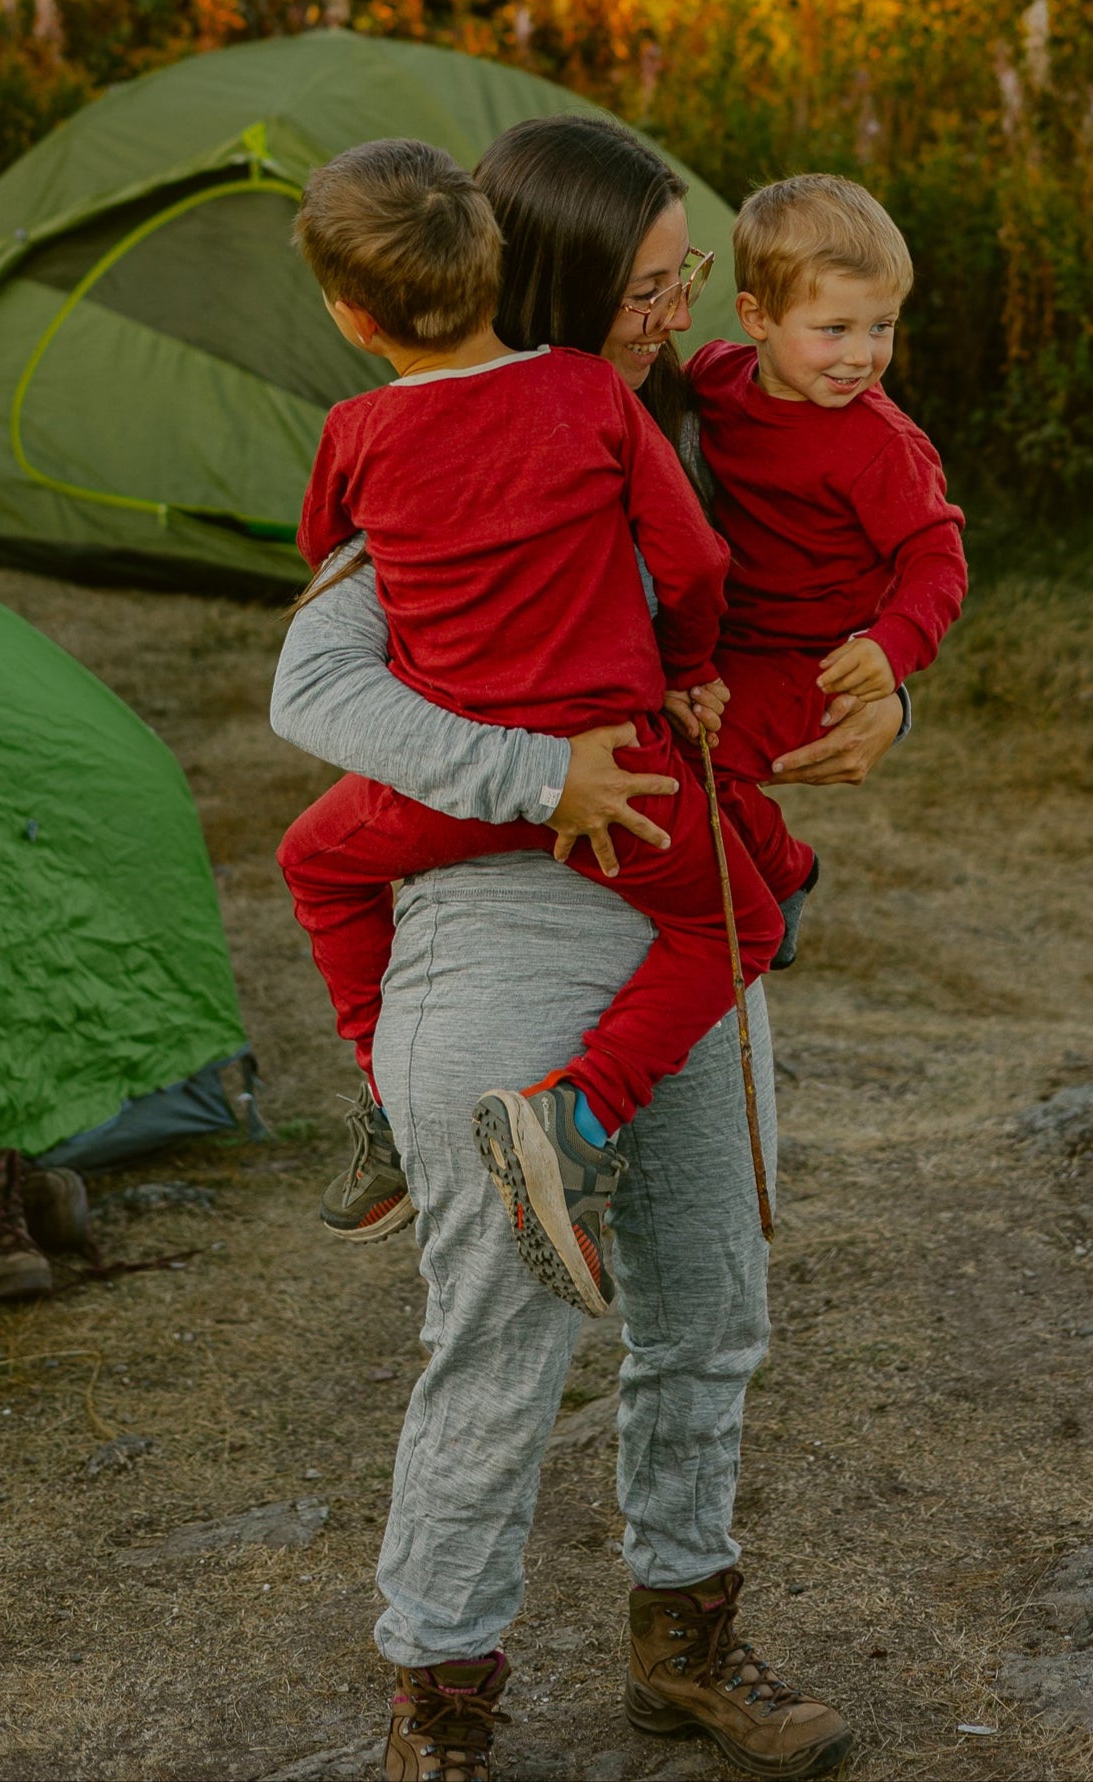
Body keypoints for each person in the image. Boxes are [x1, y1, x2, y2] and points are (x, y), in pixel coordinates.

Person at [271, 115, 907, 1780]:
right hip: (506, 916)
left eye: (691, 285)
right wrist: (536, 770)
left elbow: (839, 570)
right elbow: (319, 687)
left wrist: (886, 671)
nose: (680, 317)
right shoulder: (444, 440)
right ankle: (443, 1704)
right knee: (500, 1338)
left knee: (710, 1305)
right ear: (550, 280)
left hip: (684, 911)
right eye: (649, 289)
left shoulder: (688, 426)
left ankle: (683, 1645)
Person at [279, 137, 780, 1316]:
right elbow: (697, 564)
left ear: (353, 318)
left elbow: (323, 549)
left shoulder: (355, 432)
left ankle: (388, 1110)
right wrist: (683, 665)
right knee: (737, 925)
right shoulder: (592, 395)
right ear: (506, 257)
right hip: (621, 767)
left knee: (313, 863)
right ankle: (578, 1115)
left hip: (442, 799)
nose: (672, 310)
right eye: (649, 288)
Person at [682, 172, 967, 967]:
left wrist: (892, 646)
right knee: (670, 746)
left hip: (813, 661)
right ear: (757, 320)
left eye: (883, 326)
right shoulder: (713, 378)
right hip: (734, 640)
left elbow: (937, 559)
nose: (862, 356)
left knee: (695, 764)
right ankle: (754, 878)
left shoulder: (881, 446)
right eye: (834, 328)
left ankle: (781, 874)